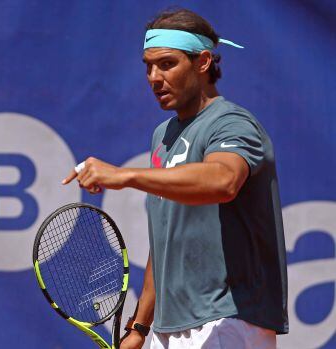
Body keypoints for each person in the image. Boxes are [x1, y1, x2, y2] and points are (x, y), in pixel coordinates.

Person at [63, 9, 288, 349]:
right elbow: (166, 239)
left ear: (203, 62)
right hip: (168, 328)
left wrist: (124, 176)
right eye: (148, 65)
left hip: (230, 320)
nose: (154, 77)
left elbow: (224, 181)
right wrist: (140, 326)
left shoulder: (232, 123)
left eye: (167, 64)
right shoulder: (162, 136)